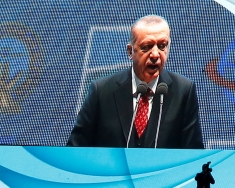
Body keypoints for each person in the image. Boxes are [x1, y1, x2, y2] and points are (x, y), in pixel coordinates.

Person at [68, 15, 203, 148]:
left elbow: (193, 155)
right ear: (130, 51)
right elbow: (75, 150)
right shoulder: (102, 91)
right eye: (147, 46)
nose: (155, 55)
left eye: (162, 46)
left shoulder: (184, 91)